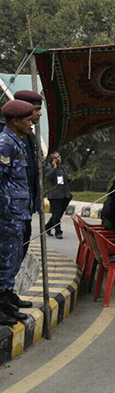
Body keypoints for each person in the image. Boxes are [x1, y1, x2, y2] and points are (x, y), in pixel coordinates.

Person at [0, 100, 35, 326]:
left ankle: (6, 301)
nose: (31, 124)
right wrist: (6, 211)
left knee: (11, 261)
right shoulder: (5, 143)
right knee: (4, 261)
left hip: (18, 213)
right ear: (16, 121)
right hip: (8, 214)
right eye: (28, 120)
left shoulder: (18, 142)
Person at [13, 90, 42, 259]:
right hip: (10, 214)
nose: (39, 113)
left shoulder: (28, 135)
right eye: (35, 109)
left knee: (17, 259)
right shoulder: (5, 136)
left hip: (23, 210)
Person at [43, 152, 73, 239]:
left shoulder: (64, 168)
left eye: (58, 157)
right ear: (52, 160)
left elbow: (67, 181)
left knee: (59, 214)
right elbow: (47, 177)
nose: (58, 159)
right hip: (55, 195)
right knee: (56, 214)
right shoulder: (49, 168)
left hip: (65, 194)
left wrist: (69, 178)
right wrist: (54, 168)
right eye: (55, 158)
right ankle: (58, 231)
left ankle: (48, 226)